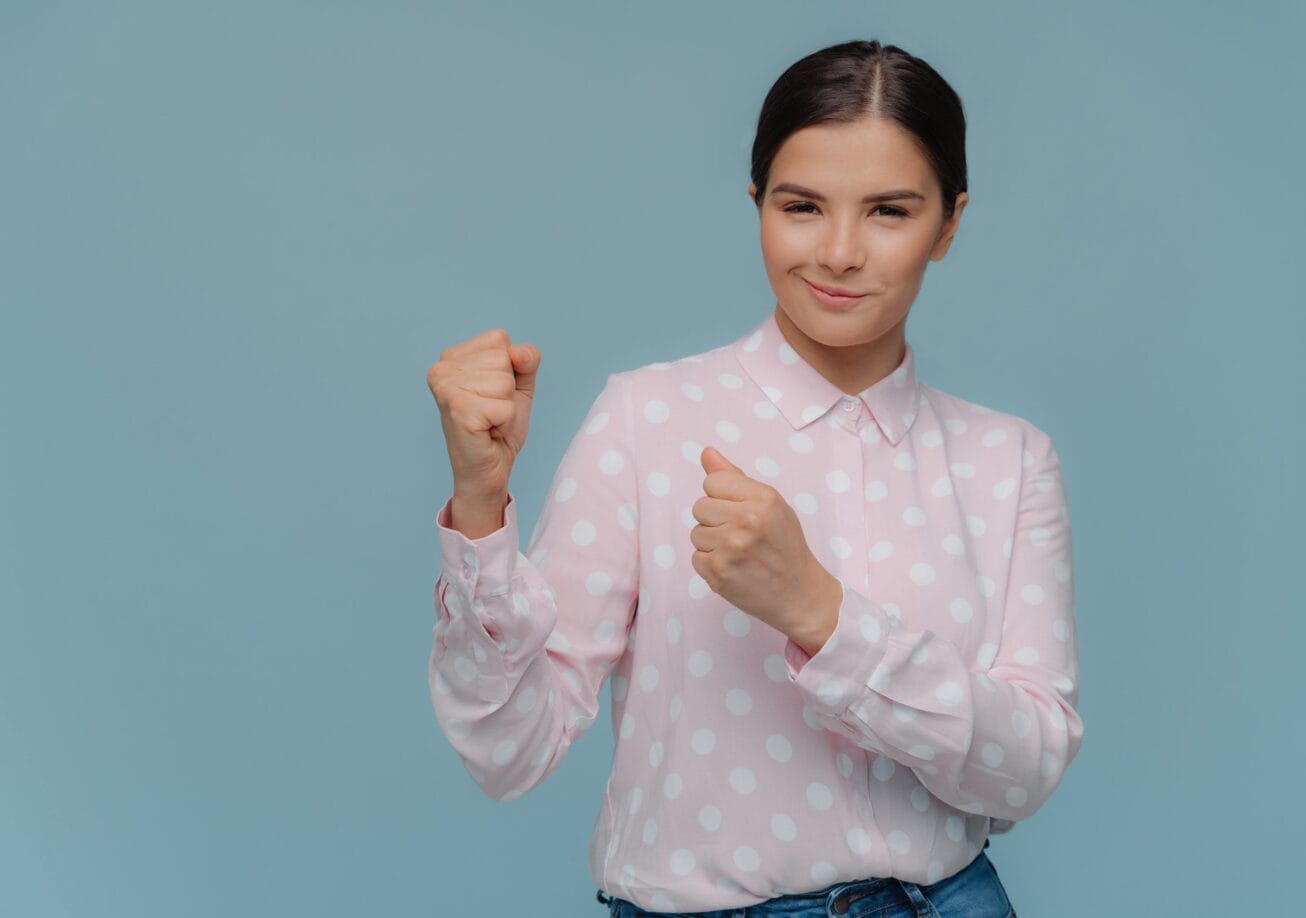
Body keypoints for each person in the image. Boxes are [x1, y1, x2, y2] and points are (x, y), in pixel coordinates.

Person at [424, 38, 1080, 917]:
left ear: (950, 224)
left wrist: (818, 612)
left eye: (888, 211)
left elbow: (1028, 770)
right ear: (758, 205)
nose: (840, 252)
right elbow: (511, 751)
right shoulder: (646, 420)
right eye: (802, 205)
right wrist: (477, 508)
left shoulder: (1008, 461)